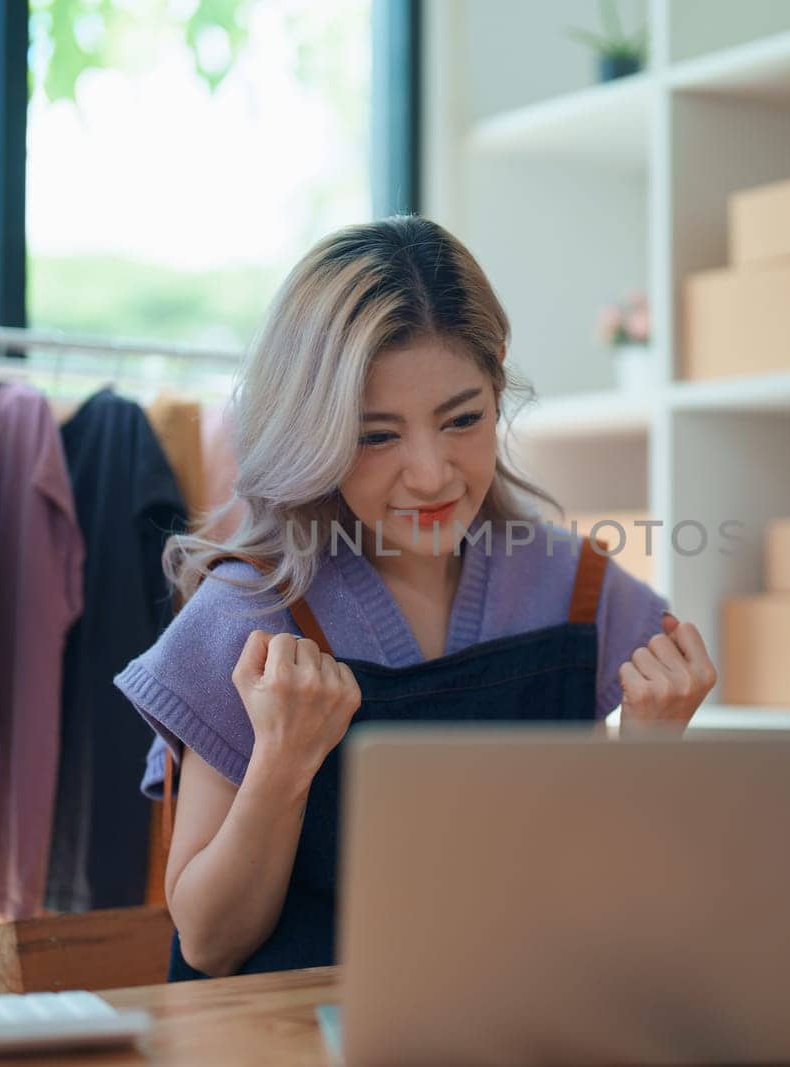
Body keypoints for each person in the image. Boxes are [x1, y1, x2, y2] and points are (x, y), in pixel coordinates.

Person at [114, 215, 718, 981]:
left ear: (498, 382)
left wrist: (652, 752)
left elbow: (596, 905)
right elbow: (208, 942)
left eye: (462, 419)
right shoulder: (253, 614)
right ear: (313, 430)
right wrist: (284, 762)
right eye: (376, 435)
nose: (431, 473)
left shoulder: (576, 589)